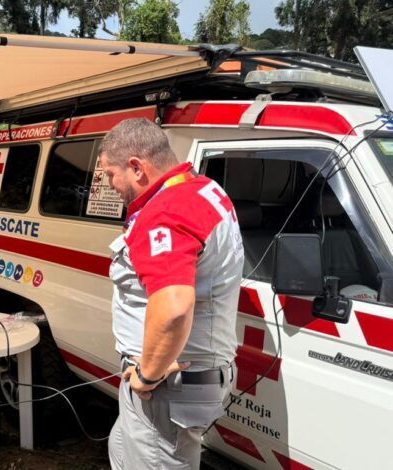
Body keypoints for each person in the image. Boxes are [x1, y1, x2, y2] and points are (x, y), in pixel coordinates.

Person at [99, 119, 244, 470]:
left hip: (164, 385)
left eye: (110, 174)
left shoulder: (164, 213)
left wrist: (148, 374)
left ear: (136, 167)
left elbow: (175, 308)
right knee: (122, 448)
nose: (109, 185)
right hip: (178, 377)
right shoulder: (201, 188)